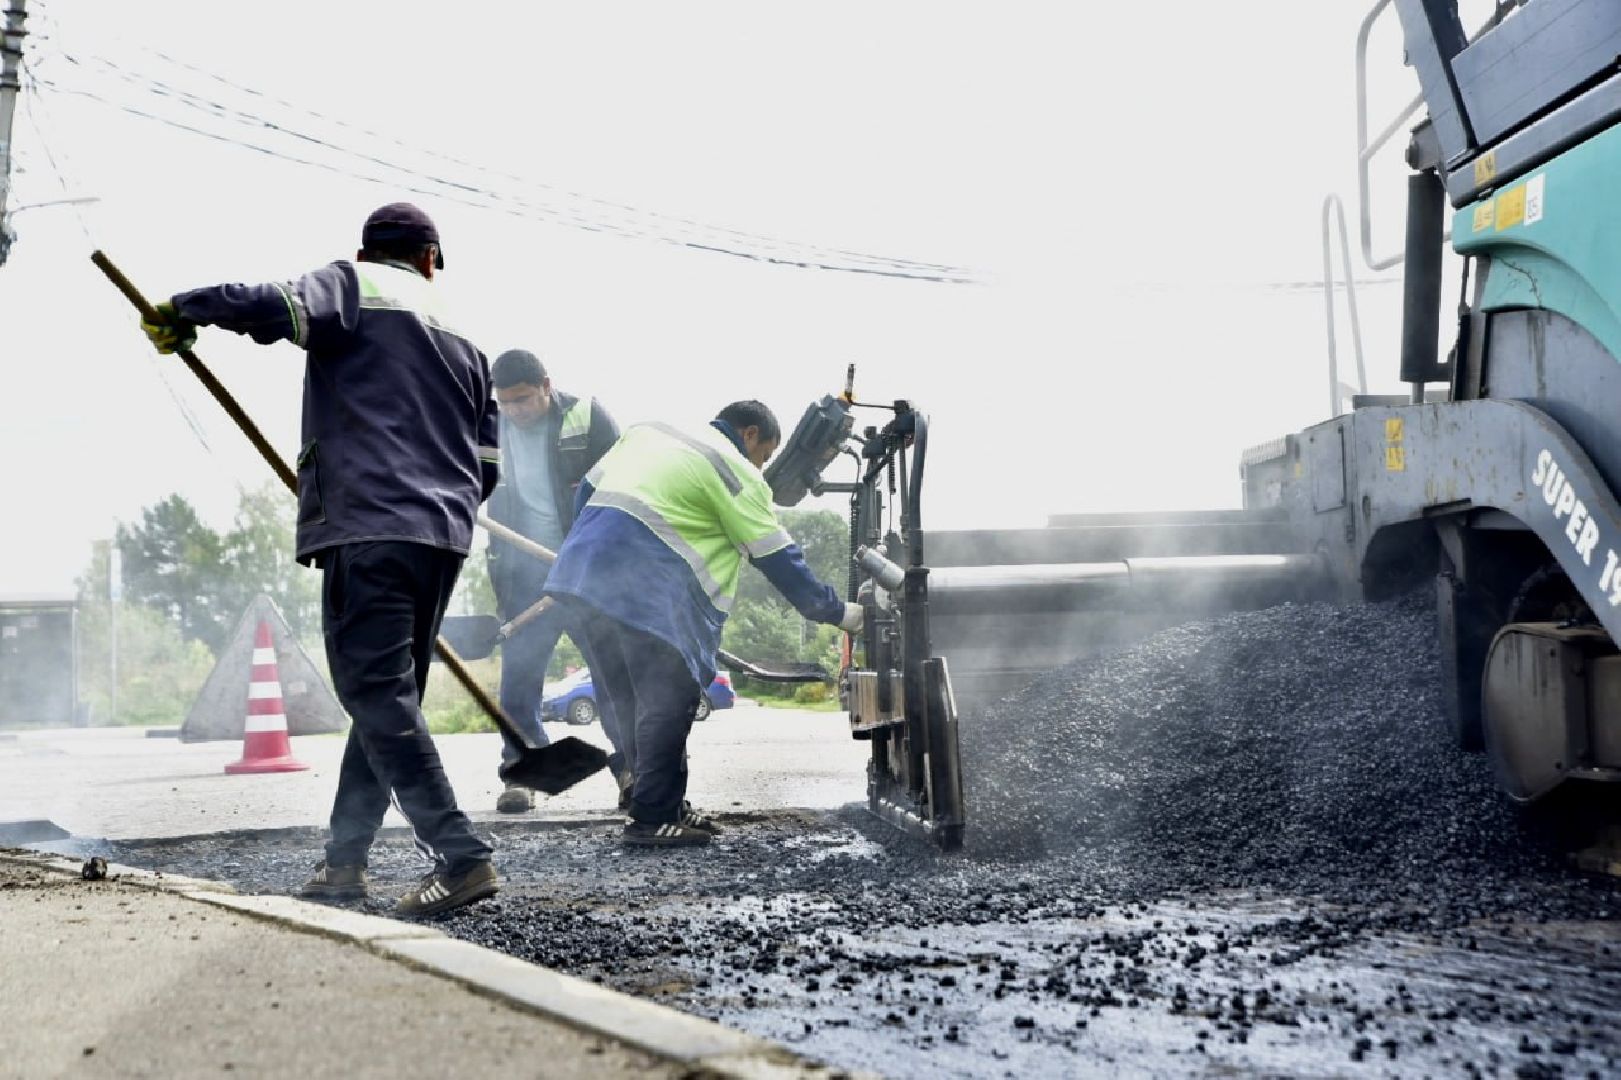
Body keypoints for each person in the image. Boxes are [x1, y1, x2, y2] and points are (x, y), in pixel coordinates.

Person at [141, 202, 502, 917]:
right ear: (431, 259)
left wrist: (184, 308)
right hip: (442, 536)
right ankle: (344, 863)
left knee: (375, 695)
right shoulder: (464, 336)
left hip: (370, 527)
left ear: (369, 252)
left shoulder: (354, 285)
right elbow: (487, 463)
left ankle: (461, 858)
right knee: (385, 699)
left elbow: (273, 306)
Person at [545, 400, 865, 847]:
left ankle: (657, 802)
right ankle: (652, 819)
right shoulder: (735, 470)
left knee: (623, 698)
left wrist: (587, 551)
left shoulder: (648, 431)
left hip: (581, 580)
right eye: (766, 455)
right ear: (750, 434)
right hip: (649, 597)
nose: (762, 466)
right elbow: (779, 559)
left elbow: (584, 495)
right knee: (667, 702)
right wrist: (838, 613)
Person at [484, 348, 619, 813]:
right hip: (524, 574)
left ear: (545, 384)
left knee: (612, 676)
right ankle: (525, 774)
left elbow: (622, 493)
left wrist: (599, 560)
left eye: (523, 399)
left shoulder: (587, 418)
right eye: (506, 403)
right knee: (518, 681)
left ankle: (635, 773)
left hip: (586, 572)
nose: (515, 411)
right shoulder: (488, 426)